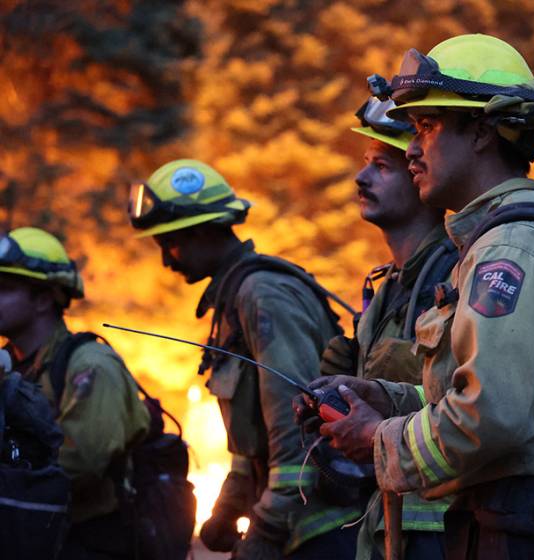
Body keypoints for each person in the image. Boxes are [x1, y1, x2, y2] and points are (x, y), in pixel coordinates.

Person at [298, 34, 534, 559]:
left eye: (427, 127)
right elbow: (509, 400)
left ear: (480, 133)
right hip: (518, 520)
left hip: (527, 529)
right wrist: (385, 399)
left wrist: (379, 437)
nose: (410, 147)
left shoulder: (511, 250)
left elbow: (491, 416)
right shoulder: (501, 241)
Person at [128, 159, 359, 560]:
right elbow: (251, 431)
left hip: (324, 530)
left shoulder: (262, 295)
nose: (166, 260)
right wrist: (229, 505)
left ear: (201, 230)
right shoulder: (235, 299)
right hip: (296, 523)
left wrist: (266, 530)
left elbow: (295, 425)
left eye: (170, 243)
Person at [317, 96, 456, 560]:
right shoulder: (387, 289)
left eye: (382, 166)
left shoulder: (455, 276)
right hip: (387, 519)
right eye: (364, 163)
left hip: (439, 526)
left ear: (418, 176)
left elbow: (468, 405)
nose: (361, 177)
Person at [0, 227, 151, 560]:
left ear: (43, 299)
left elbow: (83, 460)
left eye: (5, 289)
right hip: (29, 536)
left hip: (88, 542)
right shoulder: (10, 368)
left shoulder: (90, 364)